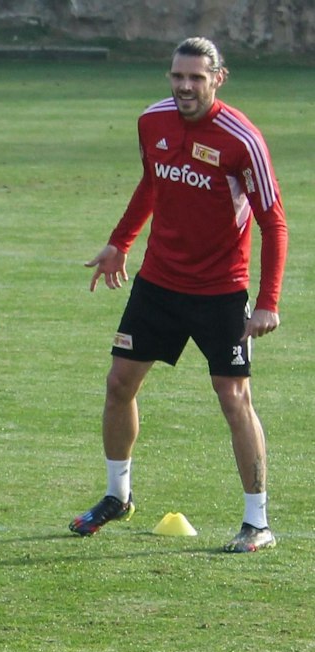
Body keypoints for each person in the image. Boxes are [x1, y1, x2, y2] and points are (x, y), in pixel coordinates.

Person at [70, 36, 288, 553]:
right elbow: (151, 182)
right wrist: (120, 243)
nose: (185, 87)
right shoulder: (152, 121)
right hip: (159, 283)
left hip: (221, 291)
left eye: (195, 77)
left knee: (234, 399)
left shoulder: (243, 141)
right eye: (177, 76)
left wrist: (267, 301)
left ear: (219, 79)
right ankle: (117, 496)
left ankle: (257, 522)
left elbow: (273, 222)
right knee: (119, 383)